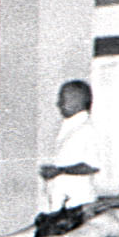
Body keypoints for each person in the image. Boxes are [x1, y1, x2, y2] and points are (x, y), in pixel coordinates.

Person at [37, 80, 101, 219]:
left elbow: (92, 166)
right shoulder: (70, 128)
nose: (58, 104)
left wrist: (59, 171)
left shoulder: (86, 129)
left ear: (78, 100)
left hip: (77, 206)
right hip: (61, 206)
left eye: (62, 98)